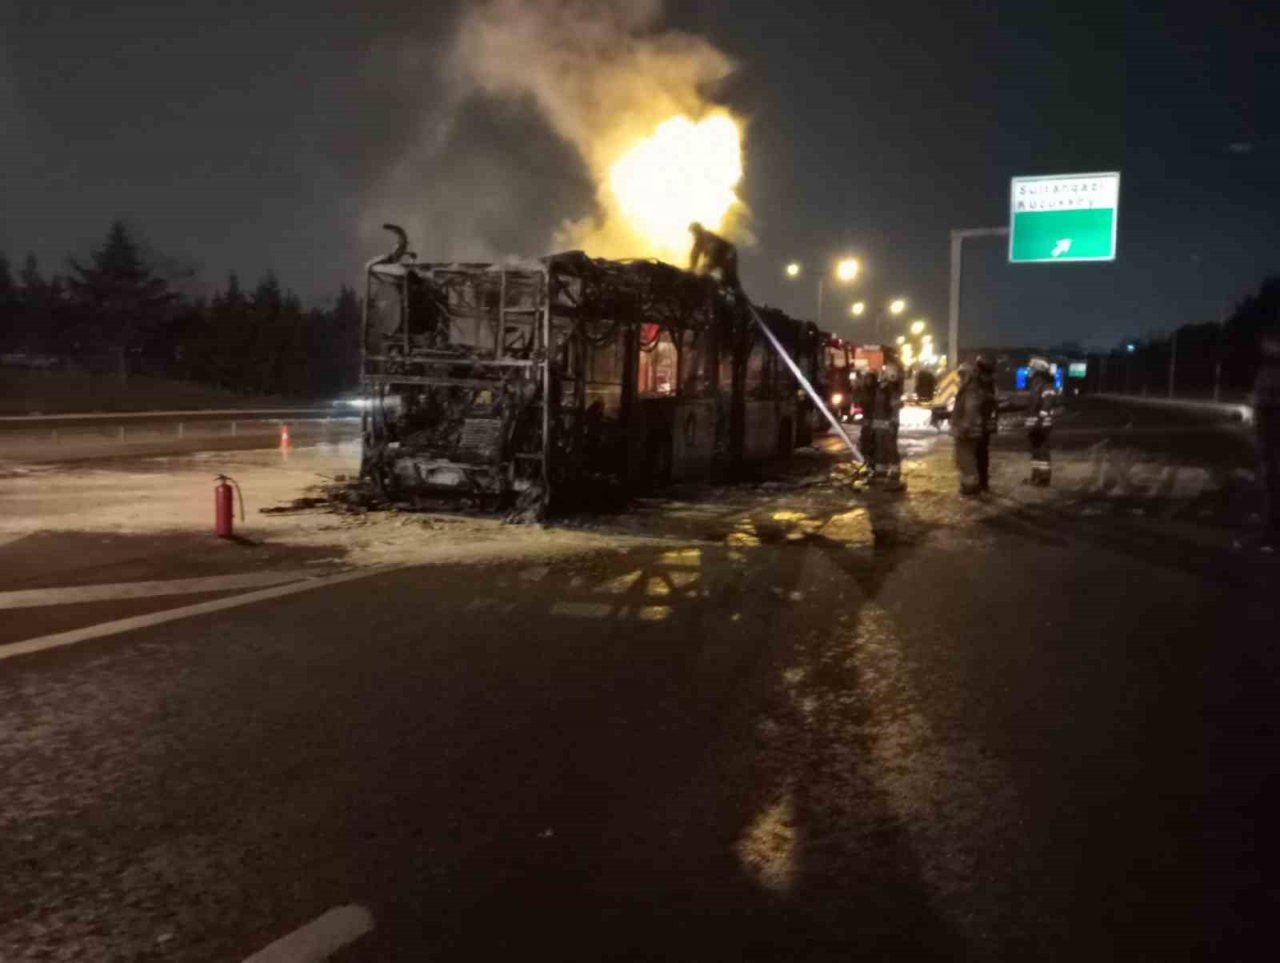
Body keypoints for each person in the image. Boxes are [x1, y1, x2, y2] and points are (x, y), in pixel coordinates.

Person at [952, 356, 997, 496]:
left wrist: (965, 425)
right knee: (975, 456)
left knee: (968, 458)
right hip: (978, 426)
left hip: (972, 429)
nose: (961, 378)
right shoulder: (984, 385)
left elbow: (971, 408)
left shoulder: (972, 388)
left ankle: (972, 487)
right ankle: (978, 484)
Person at [1253, 330, 1280, 552]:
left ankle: (1270, 535)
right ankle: (1267, 530)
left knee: (1272, 483)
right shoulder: (1267, 370)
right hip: (1266, 437)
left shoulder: (1273, 372)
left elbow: (1268, 404)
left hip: (1271, 437)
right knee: (1268, 483)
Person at [871, 360, 905, 490]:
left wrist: (892, 423)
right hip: (880, 423)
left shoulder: (892, 389)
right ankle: (881, 471)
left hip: (889, 424)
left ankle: (894, 473)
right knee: (880, 448)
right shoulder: (882, 388)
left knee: (890, 448)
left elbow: (894, 408)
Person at [1025, 357, 1056, 486]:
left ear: (1038, 370)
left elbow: (1048, 400)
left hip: (1042, 424)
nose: (1029, 370)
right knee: (1036, 451)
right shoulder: (1035, 384)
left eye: (1031, 368)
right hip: (1035, 424)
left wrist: (1043, 414)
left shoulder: (1044, 384)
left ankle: (1044, 479)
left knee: (1042, 450)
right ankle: (1035, 476)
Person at [688, 222, 740, 290]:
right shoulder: (698, 242)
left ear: (699, 229)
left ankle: (735, 291)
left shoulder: (707, 236)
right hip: (719, 258)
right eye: (693, 233)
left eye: (695, 231)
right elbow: (694, 255)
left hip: (728, 254)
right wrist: (692, 269)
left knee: (729, 276)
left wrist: (707, 265)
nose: (694, 234)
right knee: (710, 273)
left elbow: (713, 249)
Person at [854, 368, 878, 470]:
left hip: (874, 417)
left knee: (873, 438)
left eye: (870, 379)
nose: (869, 381)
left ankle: (872, 459)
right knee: (865, 437)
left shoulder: (877, 390)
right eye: (867, 379)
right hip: (867, 417)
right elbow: (858, 401)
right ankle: (866, 458)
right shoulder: (863, 390)